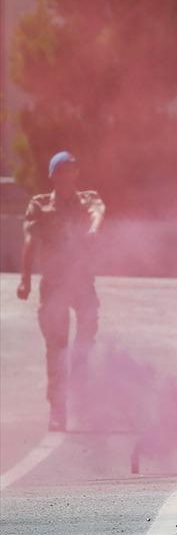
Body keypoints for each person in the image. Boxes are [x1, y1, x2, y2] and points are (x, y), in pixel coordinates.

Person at [16, 151, 105, 432]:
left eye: (72, 170)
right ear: (53, 175)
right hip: (54, 283)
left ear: (76, 174)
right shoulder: (40, 205)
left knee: (86, 333)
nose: (67, 175)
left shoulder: (88, 199)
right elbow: (30, 240)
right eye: (62, 171)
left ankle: (82, 394)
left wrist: (92, 230)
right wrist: (25, 279)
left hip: (80, 280)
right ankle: (58, 408)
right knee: (56, 349)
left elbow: (98, 213)